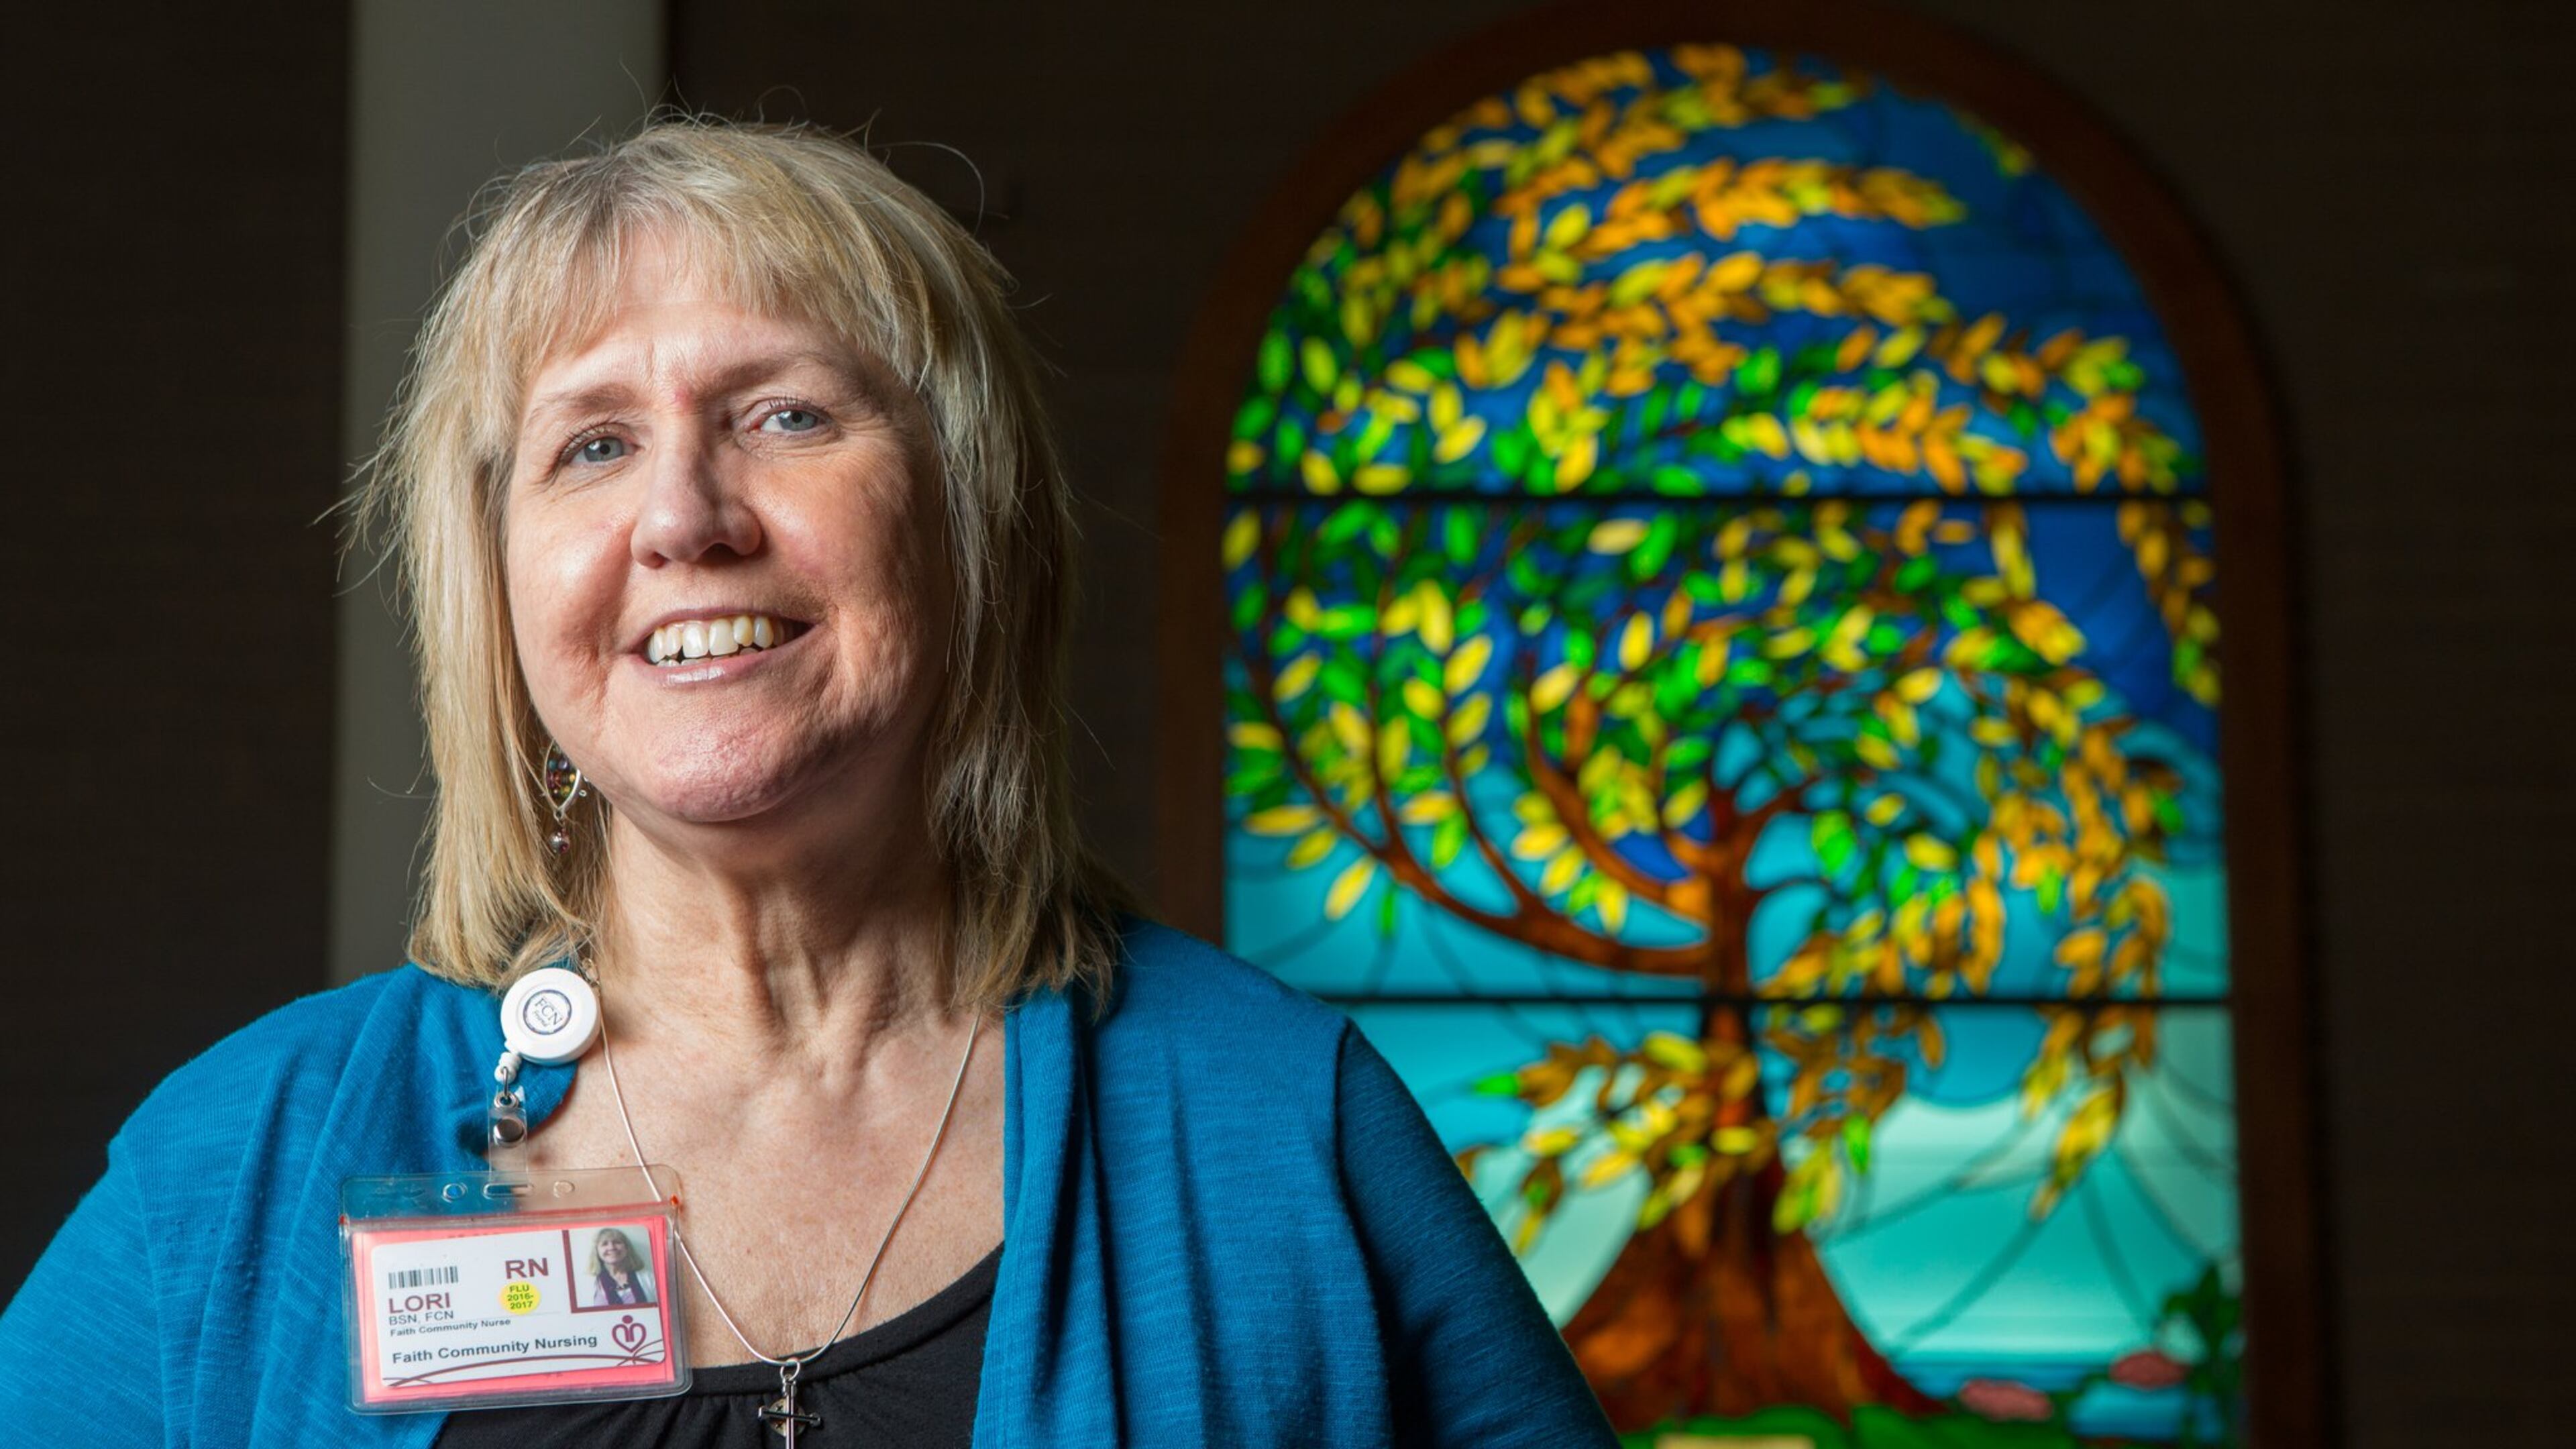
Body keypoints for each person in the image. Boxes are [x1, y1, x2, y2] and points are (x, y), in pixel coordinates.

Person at [0, 119, 1618, 1447]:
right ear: (496, 594)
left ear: (969, 523)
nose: (685, 516)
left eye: (785, 413)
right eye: (590, 444)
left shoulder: (1282, 1123)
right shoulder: (238, 1160)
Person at [588, 1228, 656, 1309]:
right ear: (597, 1252)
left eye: (617, 1242)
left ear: (627, 1248)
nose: (611, 1247)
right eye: (605, 1244)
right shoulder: (591, 1283)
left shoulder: (649, 1278)